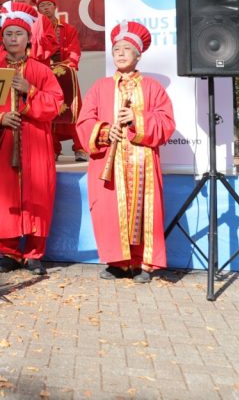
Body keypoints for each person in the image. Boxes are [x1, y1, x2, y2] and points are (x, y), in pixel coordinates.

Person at [76, 21, 176, 283]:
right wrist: (105, 132)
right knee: (108, 211)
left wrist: (136, 119)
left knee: (144, 211)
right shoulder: (100, 87)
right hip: (109, 162)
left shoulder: (153, 88)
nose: (119, 53)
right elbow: (84, 121)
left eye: (126, 49)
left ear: (138, 54)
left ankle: (143, 263)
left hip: (142, 160)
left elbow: (166, 124)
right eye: (116, 49)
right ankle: (118, 263)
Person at [0, 3, 65, 275]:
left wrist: (30, 91)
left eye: (19, 33)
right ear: (2, 38)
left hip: (36, 142)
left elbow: (55, 104)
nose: (13, 38)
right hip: (2, 143)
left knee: (38, 194)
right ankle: (9, 252)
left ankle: (34, 254)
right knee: (3, 198)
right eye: (8, 34)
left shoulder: (41, 71)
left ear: (28, 38)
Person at [35, 0, 88, 162]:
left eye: (49, 4)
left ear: (55, 7)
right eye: (42, 5)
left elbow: (74, 51)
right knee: (50, 112)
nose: (46, 8)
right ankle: (53, 149)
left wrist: (68, 65)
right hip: (45, 74)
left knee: (74, 110)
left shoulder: (68, 29)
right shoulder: (36, 29)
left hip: (66, 74)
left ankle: (80, 148)